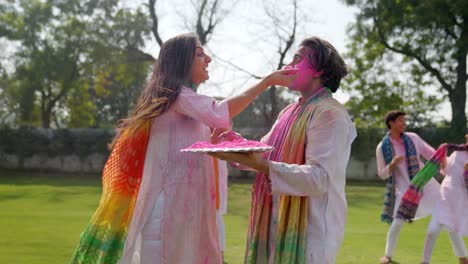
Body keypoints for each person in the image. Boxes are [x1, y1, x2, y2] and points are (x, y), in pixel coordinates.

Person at [69, 32, 296, 264]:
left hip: (184, 211)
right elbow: (220, 113)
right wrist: (268, 81)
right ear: (182, 61)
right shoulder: (177, 96)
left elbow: (210, 127)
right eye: (199, 54)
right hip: (168, 213)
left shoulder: (185, 102)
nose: (208, 59)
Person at [210, 36, 356, 263]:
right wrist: (235, 143)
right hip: (275, 226)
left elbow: (319, 178)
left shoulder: (330, 115)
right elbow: (264, 152)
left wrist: (261, 165)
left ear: (318, 71)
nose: (289, 66)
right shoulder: (289, 112)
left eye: (298, 59)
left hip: (310, 234)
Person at [376, 110, 441, 264]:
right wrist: (392, 164)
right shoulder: (382, 147)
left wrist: (444, 159)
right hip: (405, 191)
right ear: (391, 123)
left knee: (447, 213)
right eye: (400, 121)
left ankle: (462, 256)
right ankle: (387, 256)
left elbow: (431, 153)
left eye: (405, 120)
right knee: (397, 223)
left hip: (426, 184)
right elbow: (382, 174)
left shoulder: (413, 138)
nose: (404, 123)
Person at [421, 134, 468, 264]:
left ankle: (463, 259)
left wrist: (466, 172)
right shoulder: (457, 153)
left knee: (454, 230)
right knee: (432, 231)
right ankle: (425, 261)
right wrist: (443, 158)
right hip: (444, 196)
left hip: (460, 200)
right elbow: (446, 170)